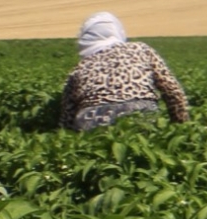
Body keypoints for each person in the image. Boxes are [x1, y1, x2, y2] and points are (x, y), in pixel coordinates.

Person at [59, 12, 191, 131]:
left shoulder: (80, 67)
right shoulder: (140, 49)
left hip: (92, 119)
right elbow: (172, 90)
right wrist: (181, 126)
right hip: (139, 111)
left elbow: (67, 115)